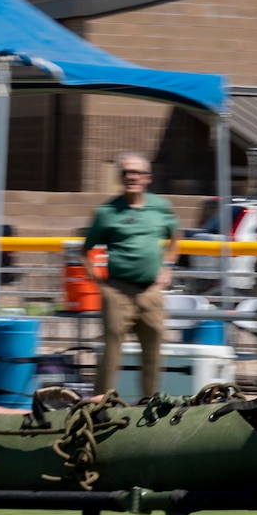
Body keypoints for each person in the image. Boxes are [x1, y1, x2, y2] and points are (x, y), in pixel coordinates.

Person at [83, 153, 181, 397]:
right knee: (112, 353)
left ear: (147, 178)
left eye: (136, 172)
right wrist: (99, 282)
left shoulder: (161, 207)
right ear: (120, 177)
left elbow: (176, 236)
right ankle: (99, 407)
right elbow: (86, 250)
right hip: (118, 291)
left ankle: (148, 407)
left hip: (150, 292)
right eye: (126, 172)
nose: (131, 177)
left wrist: (168, 267)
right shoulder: (107, 212)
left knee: (153, 353)